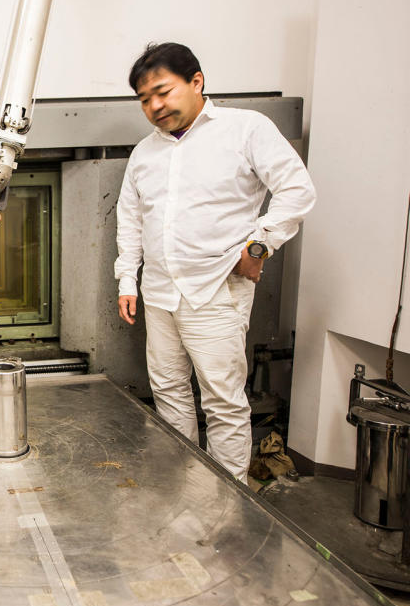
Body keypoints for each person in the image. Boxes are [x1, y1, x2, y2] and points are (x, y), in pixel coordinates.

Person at [114, 42, 315, 484]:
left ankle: (228, 504)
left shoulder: (245, 129)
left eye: (162, 92)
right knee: (168, 393)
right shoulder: (144, 153)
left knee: (222, 401)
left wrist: (259, 246)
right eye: (145, 99)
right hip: (160, 293)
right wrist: (128, 279)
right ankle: (183, 492)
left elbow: (297, 189)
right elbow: (130, 221)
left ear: (197, 81)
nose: (154, 106)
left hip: (217, 289)